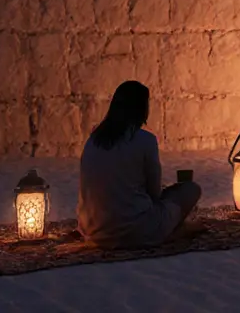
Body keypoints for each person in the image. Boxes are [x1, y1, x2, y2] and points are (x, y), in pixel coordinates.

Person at [78, 81, 202, 250]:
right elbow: (155, 194)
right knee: (191, 190)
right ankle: (170, 232)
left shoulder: (93, 140)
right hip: (137, 230)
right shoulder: (146, 140)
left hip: (94, 231)